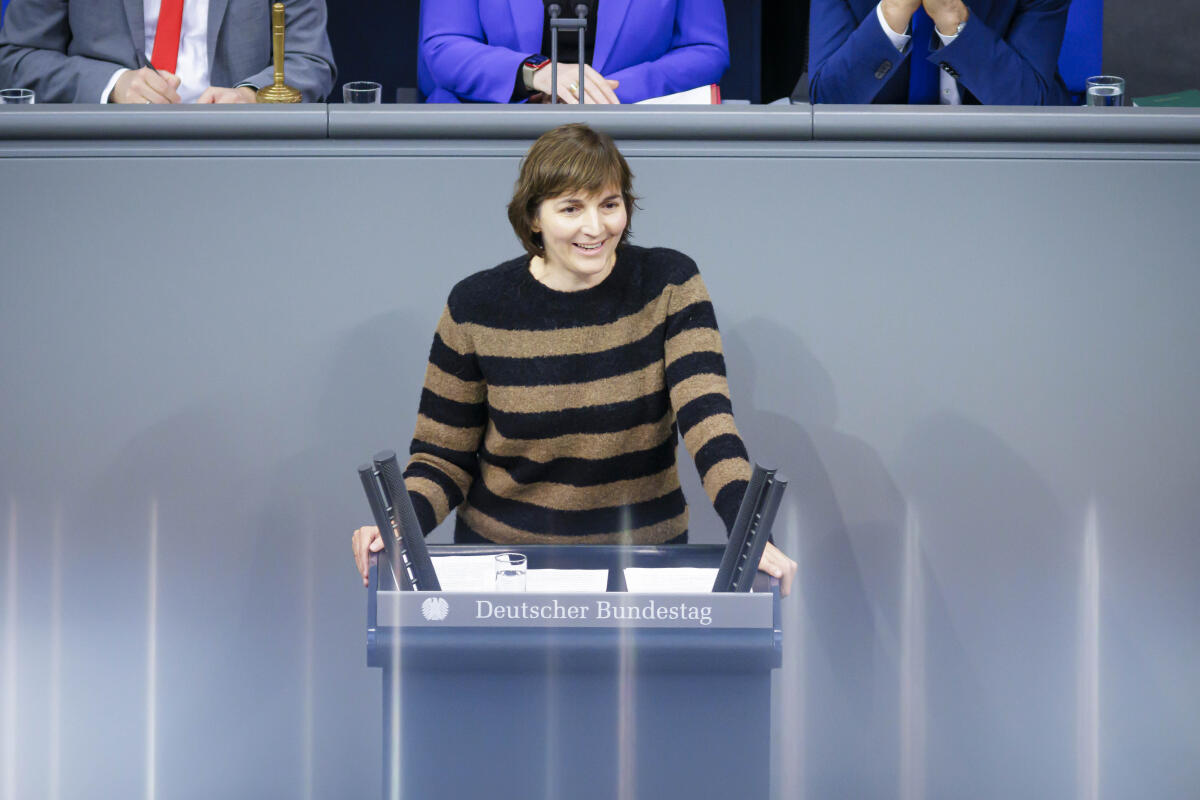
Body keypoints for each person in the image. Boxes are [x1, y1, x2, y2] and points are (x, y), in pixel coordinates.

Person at [352, 123, 797, 595]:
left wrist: (752, 538)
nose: (596, 227)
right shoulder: (476, 305)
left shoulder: (670, 283)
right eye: (571, 208)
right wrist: (398, 524)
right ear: (534, 218)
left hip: (640, 566)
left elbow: (710, 426)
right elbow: (442, 458)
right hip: (509, 571)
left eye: (609, 204)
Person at [0, 0, 335, 103]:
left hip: (241, 157)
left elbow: (309, 60)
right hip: (100, 158)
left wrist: (251, 97)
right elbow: (15, 57)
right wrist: (111, 85)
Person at [418, 0, 729, 104]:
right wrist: (538, 72)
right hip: (490, 140)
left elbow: (705, 51)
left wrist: (597, 92)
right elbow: (444, 47)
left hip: (629, 138)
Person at [808, 0, 1072, 105]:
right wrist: (892, 12)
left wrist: (952, 17)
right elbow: (825, 104)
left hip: (1001, 159)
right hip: (874, 163)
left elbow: (1028, 106)